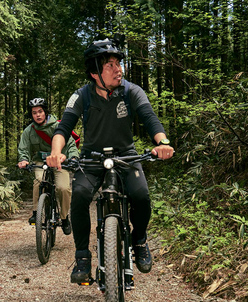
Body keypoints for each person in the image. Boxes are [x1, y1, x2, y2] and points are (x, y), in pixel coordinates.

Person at [46, 38, 174, 283]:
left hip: (126, 156)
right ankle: (82, 256)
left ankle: (139, 240)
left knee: (141, 196)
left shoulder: (131, 91)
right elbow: (63, 128)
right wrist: (56, 152)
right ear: (95, 73)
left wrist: (163, 142)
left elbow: (150, 119)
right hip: (91, 159)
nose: (119, 70)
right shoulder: (81, 96)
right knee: (81, 195)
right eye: (110, 65)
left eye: (119, 64)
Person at [17, 98, 79, 235]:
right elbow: (24, 149)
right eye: (34, 113)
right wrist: (24, 160)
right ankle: (36, 213)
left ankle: (64, 217)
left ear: (45, 112)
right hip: (41, 162)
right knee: (38, 181)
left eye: (40, 111)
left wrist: (73, 157)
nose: (38, 115)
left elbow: (70, 144)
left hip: (59, 161)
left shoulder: (58, 126)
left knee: (63, 188)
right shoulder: (29, 131)